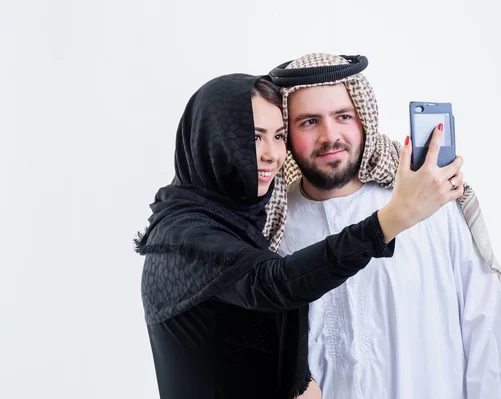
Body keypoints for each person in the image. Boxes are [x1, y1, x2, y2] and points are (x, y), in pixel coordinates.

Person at [134, 73, 464, 399]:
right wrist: (392, 219)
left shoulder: (242, 224)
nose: (271, 154)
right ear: (211, 140)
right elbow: (275, 284)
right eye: (254, 137)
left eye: (278, 136)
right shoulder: (182, 236)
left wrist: (300, 381)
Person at [270, 53, 501, 398]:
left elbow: (485, 329)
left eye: (343, 116)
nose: (330, 136)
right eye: (309, 122)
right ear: (286, 133)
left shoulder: (430, 206)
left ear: (363, 119)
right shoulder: (277, 227)